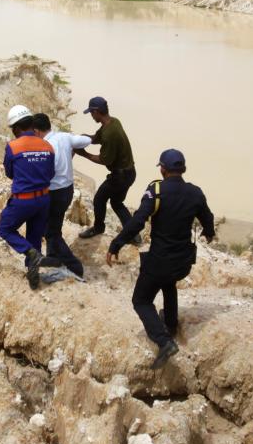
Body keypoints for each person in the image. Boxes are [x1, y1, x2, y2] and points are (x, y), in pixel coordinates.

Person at [107, 149, 215, 369]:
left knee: (141, 301)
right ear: (182, 169)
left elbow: (138, 221)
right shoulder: (195, 192)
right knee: (168, 283)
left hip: (160, 260)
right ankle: (171, 324)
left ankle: (164, 341)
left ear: (163, 169)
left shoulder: (156, 190)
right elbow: (208, 218)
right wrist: (209, 232)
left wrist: (116, 243)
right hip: (183, 262)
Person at [0, 105, 56, 290]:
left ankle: (29, 252)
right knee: (35, 236)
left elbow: (9, 173)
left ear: (15, 128)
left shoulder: (13, 146)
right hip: (44, 199)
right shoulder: (47, 146)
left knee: (5, 228)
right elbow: (51, 173)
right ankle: (33, 276)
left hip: (23, 200)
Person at [32, 112, 91, 279]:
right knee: (54, 225)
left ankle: (74, 266)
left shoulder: (46, 146)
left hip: (55, 193)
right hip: (68, 190)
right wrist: (72, 149)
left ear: (36, 131)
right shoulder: (64, 137)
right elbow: (86, 140)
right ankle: (53, 256)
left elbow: (47, 174)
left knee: (50, 231)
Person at [75, 96, 137, 240]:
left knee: (99, 199)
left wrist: (83, 153)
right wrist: (87, 138)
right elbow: (99, 137)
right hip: (130, 173)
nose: (91, 116)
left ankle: (98, 228)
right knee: (116, 202)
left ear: (97, 112)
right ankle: (133, 234)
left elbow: (104, 160)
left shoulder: (110, 134)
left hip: (119, 176)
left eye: (91, 113)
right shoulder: (113, 122)